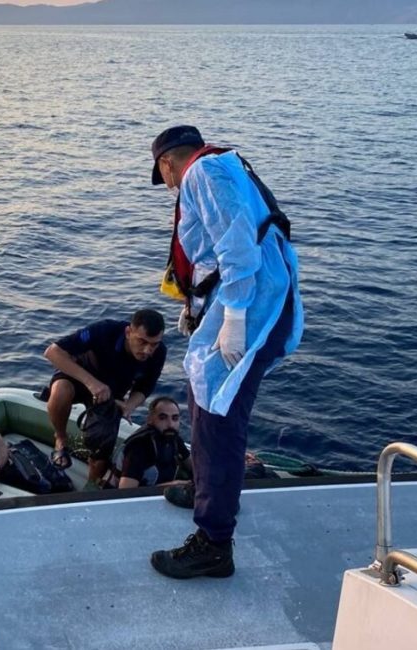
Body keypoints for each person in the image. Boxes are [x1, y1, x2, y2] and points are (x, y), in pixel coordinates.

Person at [147, 125, 303, 579]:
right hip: (242, 304)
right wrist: (199, 307)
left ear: (167, 163)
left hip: (249, 310)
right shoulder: (224, 166)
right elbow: (216, 253)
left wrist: (233, 317)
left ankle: (214, 543)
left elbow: (236, 251)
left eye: (165, 178)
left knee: (219, 419)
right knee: (203, 398)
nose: (170, 186)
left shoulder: (202, 174)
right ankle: (204, 486)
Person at [44, 309, 167, 487]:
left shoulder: (158, 353)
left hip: (110, 396)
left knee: (102, 446)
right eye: (142, 342)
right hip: (81, 379)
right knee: (61, 390)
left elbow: (145, 387)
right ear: (128, 332)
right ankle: (61, 439)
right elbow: (52, 352)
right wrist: (91, 383)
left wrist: (129, 405)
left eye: (154, 344)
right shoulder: (104, 330)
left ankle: (92, 485)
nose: (148, 350)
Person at [111, 396, 193, 489]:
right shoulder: (139, 446)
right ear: (150, 419)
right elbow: (125, 490)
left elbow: (192, 465)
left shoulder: (173, 438)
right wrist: (170, 486)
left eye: (175, 418)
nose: (170, 424)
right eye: (163, 418)